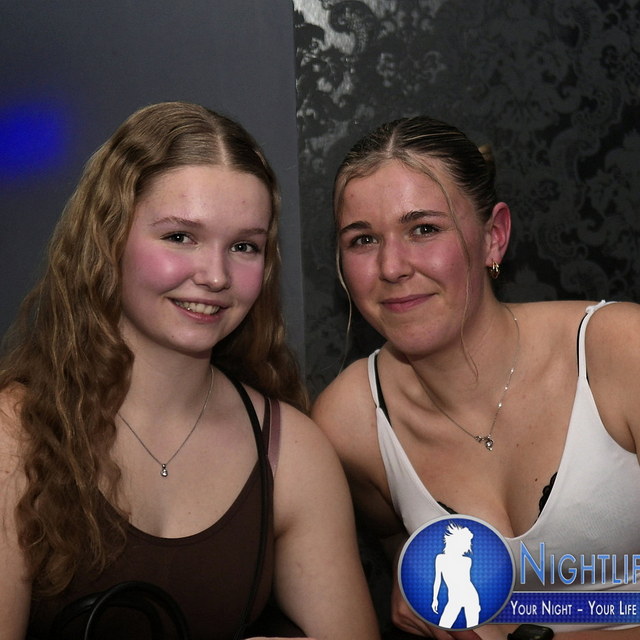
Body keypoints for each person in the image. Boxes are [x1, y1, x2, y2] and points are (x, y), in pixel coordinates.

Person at [0, 101, 380, 640]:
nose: (215, 275)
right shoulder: (14, 437)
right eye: (180, 237)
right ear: (108, 239)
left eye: (244, 246)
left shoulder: (291, 452)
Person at [312, 115, 640, 639]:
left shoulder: (619, 351)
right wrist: (412, 579)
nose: (392, 266)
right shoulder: (350, 423)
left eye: (424, 229)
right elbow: (397, 544)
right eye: (363, 239)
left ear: (493, 237)